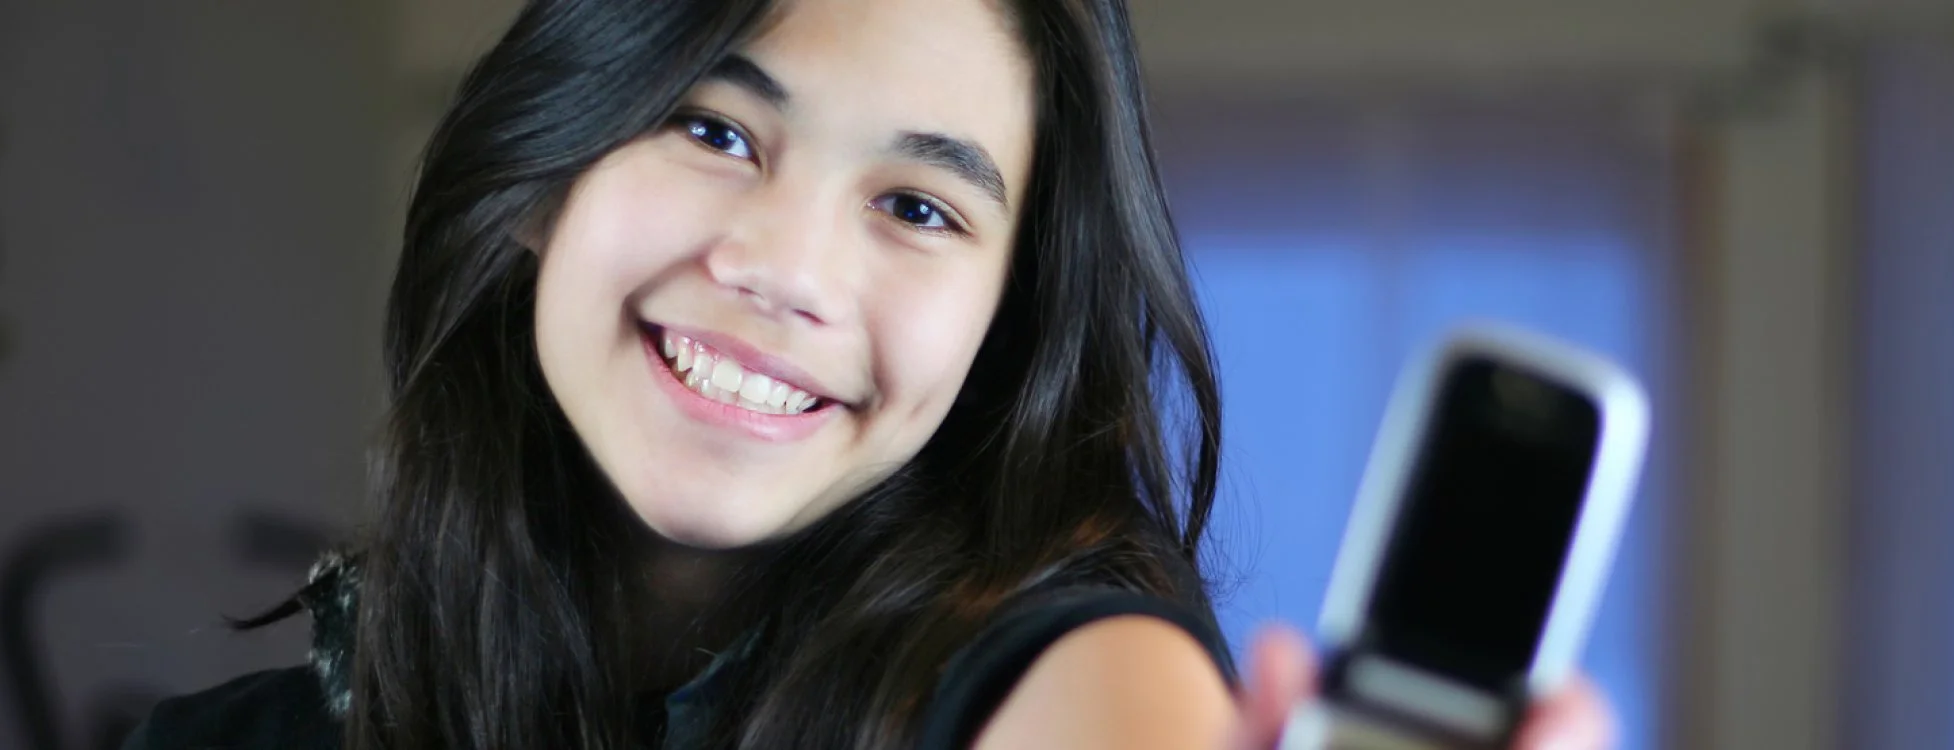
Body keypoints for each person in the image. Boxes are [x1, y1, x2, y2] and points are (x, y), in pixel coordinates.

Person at [125, 0, 1618, 747]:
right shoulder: (223, 741)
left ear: (1001, 325)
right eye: (713, 129)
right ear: (541, 173)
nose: (786, 268)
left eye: (918, 207)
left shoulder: (1074, 673)